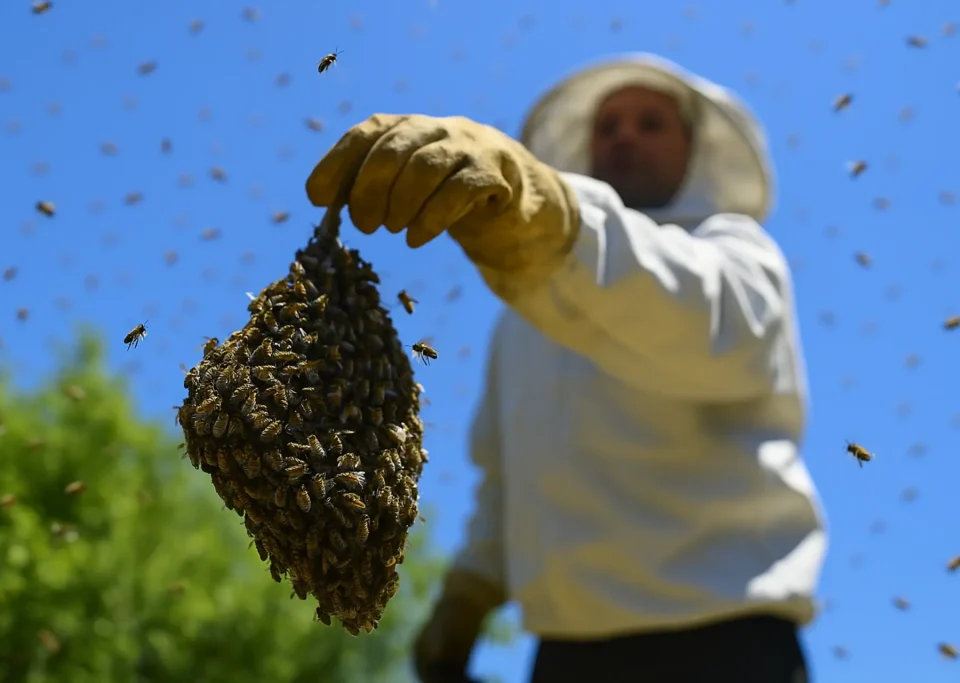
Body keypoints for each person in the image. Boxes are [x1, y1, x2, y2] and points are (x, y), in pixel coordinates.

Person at [305, 53, 827, 683]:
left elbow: (693, 311)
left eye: (650, 123)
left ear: (695, 152)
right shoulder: (524, 318)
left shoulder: (740, 257)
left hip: (728, 644)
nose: (624, 136)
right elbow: (510, 475)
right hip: (563, 656)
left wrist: (549, 217)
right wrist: (468, 592)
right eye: (607, 126)